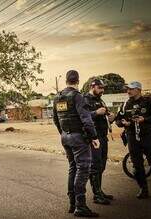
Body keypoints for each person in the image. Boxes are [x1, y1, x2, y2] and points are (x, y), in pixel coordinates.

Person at [53, 70, 100, 217]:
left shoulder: (58, 97)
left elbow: (55, 119)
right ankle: (80, 205)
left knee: (73, 167)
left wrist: (64, 132)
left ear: (66, 80)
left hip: (65, 137)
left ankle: (72, 203)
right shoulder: (77, 96)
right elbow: (86, 119)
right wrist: (94, 137)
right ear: (78, 81)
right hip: (78, 138)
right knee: (83, 168)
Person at [115, 81, 151, 199]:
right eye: (127, 89)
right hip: (132, 138)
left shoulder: (148, 101)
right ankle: (143, 189)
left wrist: (144, 119)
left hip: (147, 137)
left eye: (131, 89)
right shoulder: (125, 104)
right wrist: (123, 123)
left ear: (138, 90)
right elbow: (118, 120)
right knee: (137, 165)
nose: (128, 91)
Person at [84, 79, 115, 205]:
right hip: (93, 137)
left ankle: (99, 191)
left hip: (103, 136)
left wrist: (111, 118)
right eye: (100, 88)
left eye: (103, 88)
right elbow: (83, 117)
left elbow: (106, 115)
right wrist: (95, 112)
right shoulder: (85, 99)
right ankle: (96, 195)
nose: (102, 90)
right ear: (93, 87)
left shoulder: (100, 99)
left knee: (102, 165)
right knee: (96, 165)